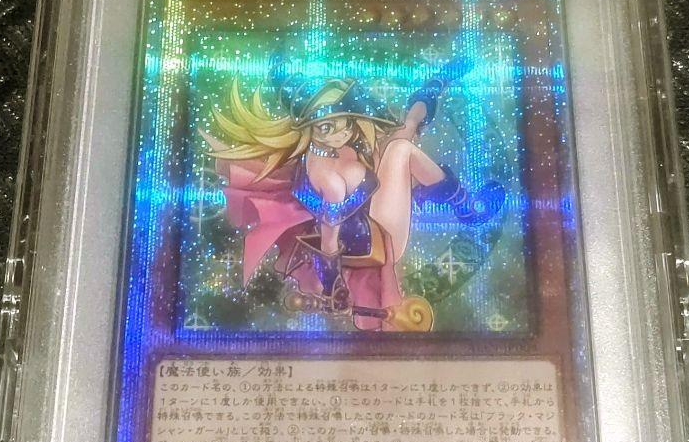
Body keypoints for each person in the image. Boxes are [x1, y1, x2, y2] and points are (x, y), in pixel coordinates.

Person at [201, 60, 505, 330]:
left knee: (403, 131)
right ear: (310, 127)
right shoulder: (329, 180)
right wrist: (333, 287)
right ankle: (467, 209)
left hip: (372, 210)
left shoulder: (337, 147)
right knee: (401, 149)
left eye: (343, 121)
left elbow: (377, 146)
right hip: (379, 238)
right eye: (326, 127)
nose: (340, 132)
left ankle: (434, 85)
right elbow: (329, 241)